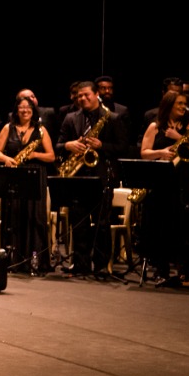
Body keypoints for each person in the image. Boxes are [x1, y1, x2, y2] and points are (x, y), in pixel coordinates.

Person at [57, 80, 129, 276]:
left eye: (86, 95)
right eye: (79, 96)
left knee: (102, 224)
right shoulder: (71, 118)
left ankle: (101, 266)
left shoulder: (112, 118)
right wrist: (68, 145)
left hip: (102, 177)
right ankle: (80, 265)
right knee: (78, 223)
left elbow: (123, 147)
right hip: (78, 177)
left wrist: (102, 146)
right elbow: (58, 144)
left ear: (96, 94)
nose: (82, 98)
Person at [137, 91, 189, 283]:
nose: (183, 107)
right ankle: (161, 269)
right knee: (162, 226)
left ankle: (184, 268)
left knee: (185, 225)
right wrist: (161, 152)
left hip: (186, 180)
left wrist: (179, 136)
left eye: (184, 104)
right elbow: (144, 153)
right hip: (163, 182)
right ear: (169, 105)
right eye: (179, 104)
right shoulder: (155, 126)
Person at [0, 94, 56, 272]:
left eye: (29, 107)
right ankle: (12, 260)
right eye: (22, 107)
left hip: (35, 177)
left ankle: (34, 261)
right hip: (14, 176)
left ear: (33, 110)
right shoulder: (7, 128)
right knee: (14, 217)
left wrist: (34, 155)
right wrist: (6, 159)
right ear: (16, 110)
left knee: (34, 219)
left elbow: (51, 156)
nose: (25, 110)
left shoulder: (41, 130)